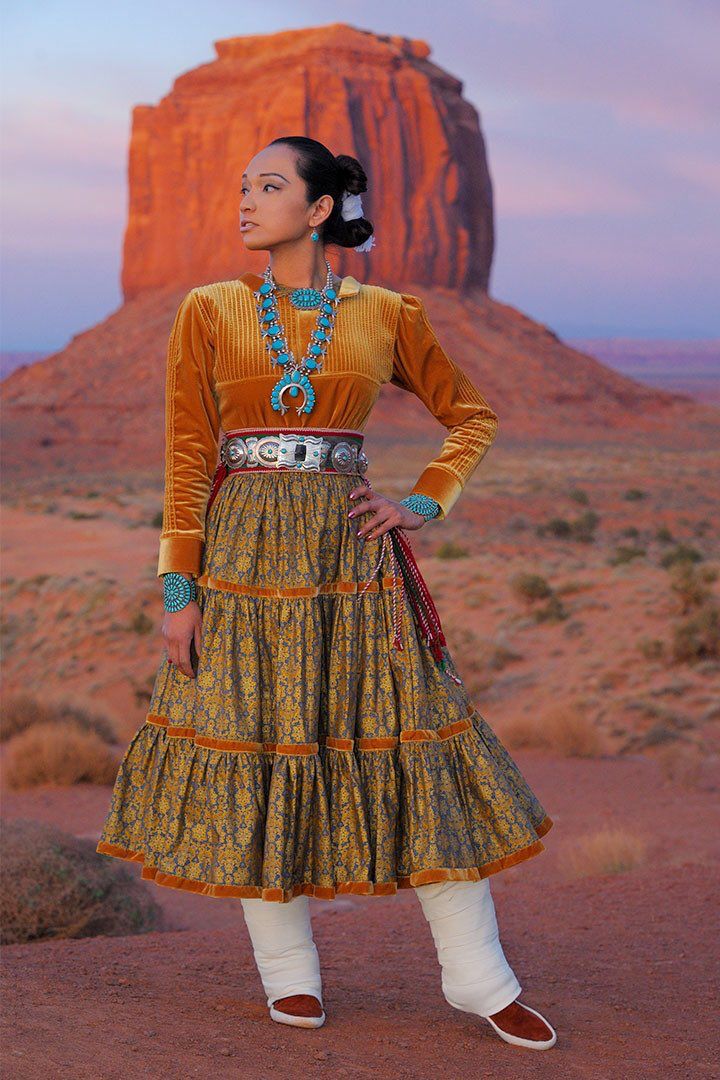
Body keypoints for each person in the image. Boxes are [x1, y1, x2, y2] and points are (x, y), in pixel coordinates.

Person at [96, 136, 556, 1051]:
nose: (245, 200)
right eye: (241, 186)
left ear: (317, 210)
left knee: (416, 747)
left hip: (353, 561)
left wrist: (423, 500)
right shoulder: (210, 311)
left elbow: (471, 415)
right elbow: (187, 458)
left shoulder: (385, 312)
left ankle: (479, 980)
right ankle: (290, 977)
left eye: (269, 185)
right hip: (239, 564)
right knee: (262, 752)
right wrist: (178, 588)